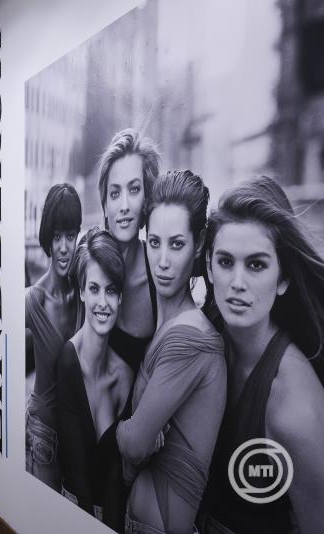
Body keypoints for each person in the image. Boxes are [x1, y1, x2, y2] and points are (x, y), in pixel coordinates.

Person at [198, 177, 324, 534]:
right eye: (225, 262)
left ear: (283, 278)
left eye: (256, 265)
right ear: (209, 266)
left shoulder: (296, 410)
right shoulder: (200, 335)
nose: (237, 282)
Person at [116, 170, 226, 534]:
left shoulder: (189, 336)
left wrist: (126, 435)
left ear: (198, 243)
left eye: (176, 244)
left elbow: (135, 444)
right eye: (154, 242)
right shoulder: (167, 327)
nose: (162, 261)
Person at [56, 226, 133, 531]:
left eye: (111, 290)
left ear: (121, 296)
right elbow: (77, 475)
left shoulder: (125, 374)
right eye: (94, 289)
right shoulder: (68, 360)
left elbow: (117, 474)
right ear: (82, 293)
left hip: (113, 517)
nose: (103, 302)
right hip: (74, 511)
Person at [25, 183, 82, 492]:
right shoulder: (33, 300)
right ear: (47, 237)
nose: (63, 247)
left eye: (70, 236)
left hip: (78, 437)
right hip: (42, 434)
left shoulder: (85, 294)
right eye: (57, 237)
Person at [98, 129, 160, 372]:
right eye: (115, 193)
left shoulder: (160, 271)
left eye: (134, 189)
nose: (124, 206)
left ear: (146, 199)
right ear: (105, 205)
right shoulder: (86, 267)